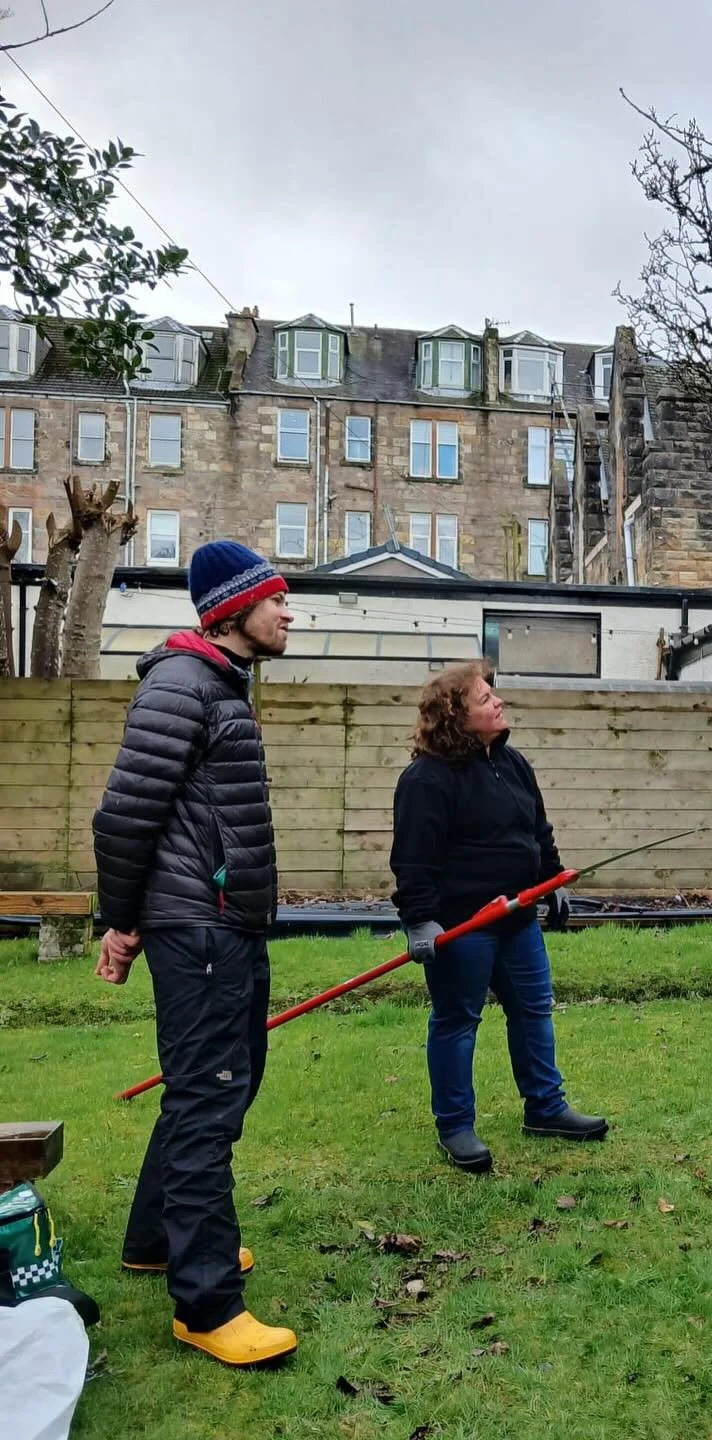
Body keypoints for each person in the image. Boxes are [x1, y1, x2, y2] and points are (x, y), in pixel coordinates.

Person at [92, 540, 297, 1367]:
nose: (289, 612)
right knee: (210, 1101)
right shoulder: (181, 686)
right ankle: (206, 1304)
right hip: (200, 928)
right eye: (276, 599)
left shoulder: (217, 684)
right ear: (232, 609)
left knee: (215, 1084)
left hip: (227, 925)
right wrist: (120, 922)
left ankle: (155, 1240)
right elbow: (123, 815)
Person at [390, 659, 607, 1175]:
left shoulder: (513, 765)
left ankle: (545, 1108)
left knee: (534, 1010)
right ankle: (456, 1126)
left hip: (517, 920)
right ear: (457, 715)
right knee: (458, 1020)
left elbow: (537, 829)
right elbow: (412, 859)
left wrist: (551, 882)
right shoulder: (426, 780)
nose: (499, 702)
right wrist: (420, 921)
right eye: (486, 699)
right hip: (463, 927)